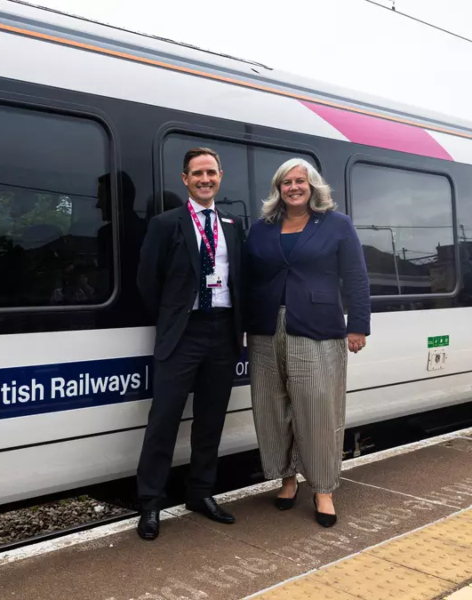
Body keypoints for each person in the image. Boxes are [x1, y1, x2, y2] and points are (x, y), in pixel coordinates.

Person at [242, 158, 370, 528]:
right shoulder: (261, 228)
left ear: (313, 186)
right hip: (265, 328)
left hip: (316, 327)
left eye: (300, 181)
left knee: (317, 410)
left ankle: (323, 488)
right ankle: (286, 479)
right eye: (286, 182)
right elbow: (248, 281)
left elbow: (356, 278)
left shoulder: (337, 224)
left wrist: (358, 325)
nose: (293, 187)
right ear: (277, 188)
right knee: (271, 408)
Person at [135, 147, 245, 540]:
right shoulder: (166, 224)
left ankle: (201, 493)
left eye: (211, 172)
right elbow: (148, 283)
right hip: (183, 333)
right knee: (163, 421)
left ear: (220, 176)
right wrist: (173, 318)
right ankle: (150, 504)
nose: (205, 179)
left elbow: (240, 280)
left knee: (211, 421)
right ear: (185, 179)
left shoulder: (232, 225)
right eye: (197, 173)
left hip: (223, 331)